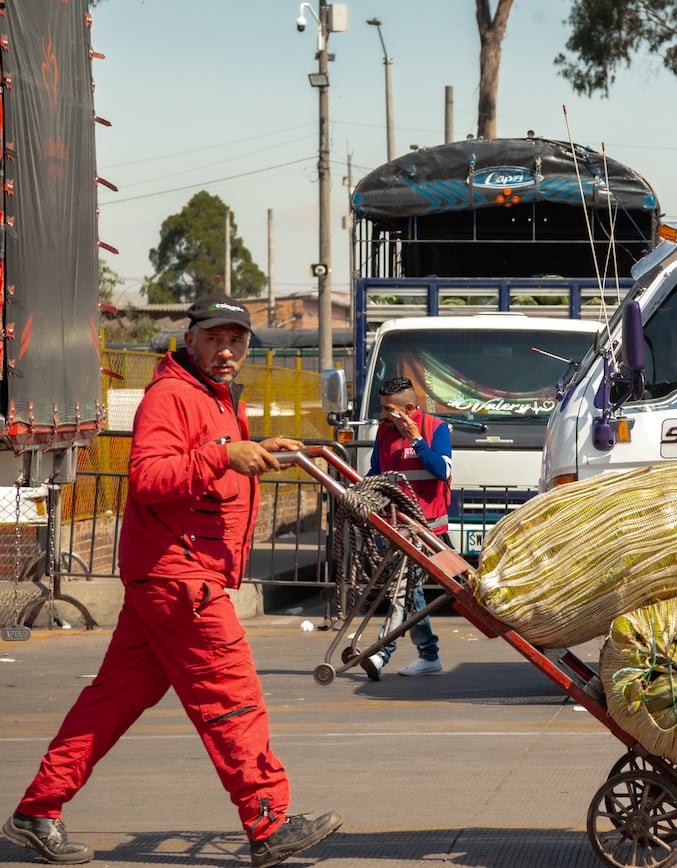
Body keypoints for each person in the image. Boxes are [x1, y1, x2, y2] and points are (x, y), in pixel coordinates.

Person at [2, 294, 342, 867]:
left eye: (236, 340)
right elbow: (150, 476)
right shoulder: (172, 396)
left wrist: (255, 450)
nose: (226, 350)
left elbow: (211, 457)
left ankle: (38, 810)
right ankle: (267, 822)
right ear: (191, 341)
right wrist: (224, 456)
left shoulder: (215, 397)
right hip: (180, 579)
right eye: (215, 339)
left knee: (111, 702)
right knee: (232, 697)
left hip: (167, 575)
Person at [360, 376, 452, 680]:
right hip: (396, 527)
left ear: (409, 408)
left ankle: (381, 653)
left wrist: (417, 441)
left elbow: (441, 470)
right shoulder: (384, 431)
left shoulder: (436, 428)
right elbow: (376, 471)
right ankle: (429, 655)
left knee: (404, 590)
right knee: (412, 591)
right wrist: (359, 493)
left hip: (426, 530)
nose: (383, 415)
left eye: (389, 409)